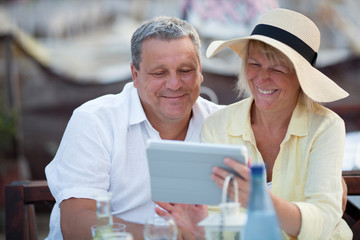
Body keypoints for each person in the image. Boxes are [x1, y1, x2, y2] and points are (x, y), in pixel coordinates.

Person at [45, 16, 219, 240]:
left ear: (200, 71)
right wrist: (167, 236)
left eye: (185, 70)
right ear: (135, 75)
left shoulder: (220, 121)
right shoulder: (95, 121)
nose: (175, 84)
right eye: (159, 73)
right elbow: (76, 222)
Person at [201, 8, 352, 239]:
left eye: (277, 69)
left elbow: (323, 221)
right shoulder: (217, 125)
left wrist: (261, 200)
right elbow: (211, 215)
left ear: (301, 78)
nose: (262, 78)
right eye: (254, 64)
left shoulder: (326, 127)